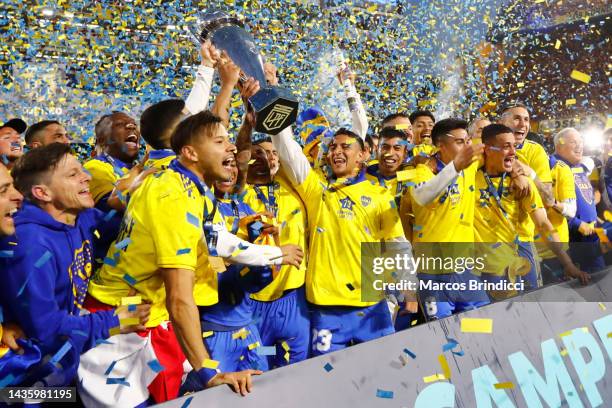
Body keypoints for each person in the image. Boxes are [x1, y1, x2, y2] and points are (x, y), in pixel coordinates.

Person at [81, 111, 303, 406]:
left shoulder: (184, 184)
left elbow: (213, 237)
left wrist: (273, 252)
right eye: (220, 141)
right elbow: (179, 298)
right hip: (122, 321)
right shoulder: (172, 197)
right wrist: (209, 372)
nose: (231, 148)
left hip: (149, 317)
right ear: (190, 153)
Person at [0, 144, 149, 388]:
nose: (87, 177)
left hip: (63, 360)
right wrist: (112, 321)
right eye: (73, 174)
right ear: (43, 193)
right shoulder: (29, 245)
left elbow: (118, 232)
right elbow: (45, 328)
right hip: (25, 377)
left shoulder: (79, 216)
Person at [271, 123, 409, 356]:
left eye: (346, 146)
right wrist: (274, 115)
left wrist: (408, 294)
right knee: (326, 381)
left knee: (384, 374)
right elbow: (289, 152)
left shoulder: (379, 195)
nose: (336, 151)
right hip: (326, 309)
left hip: (371, 307)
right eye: (333, 147)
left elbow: (398, 245)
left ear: (363, 154)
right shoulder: (318, 191)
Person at [474, 124, 589, 300]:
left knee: (534, 305)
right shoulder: (469, 177)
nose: (513, 152)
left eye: (514, 145)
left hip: (523, 250)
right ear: (488, 150)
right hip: (489, 259)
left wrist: (568, 263)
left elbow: (543, 223)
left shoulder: (524, 183)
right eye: (506, 146)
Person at [400, 118, 490, 320]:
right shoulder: (420, 171)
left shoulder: (471, 163)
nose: (467, 147)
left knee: (480, 329)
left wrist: (525, 173)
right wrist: (455, 167)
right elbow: (424, 196)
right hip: (433, 272)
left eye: (468, 141)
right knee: (444, 336)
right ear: (439, 144)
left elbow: (503, 150)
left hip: (466, 270)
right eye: (460, 142)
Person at [498, 103, 553, 290]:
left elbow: (549, 199)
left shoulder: (535, 151)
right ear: (501, 122)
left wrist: (531, 174)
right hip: (492, 243)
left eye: (527, 119)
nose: (523, 124)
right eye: (517, 118)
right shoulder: (485, 149)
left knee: (533, 297)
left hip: (523, 239)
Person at [553, 128, 605, 272]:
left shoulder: (580, 166)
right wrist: (576, 223)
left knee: (599, 279)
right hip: (573, 237)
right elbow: (549, 202)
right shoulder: (553, 167)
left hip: (591, 235)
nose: (579, 146)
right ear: (559, 145)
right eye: (573, 142)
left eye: (581, 142)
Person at [84, 112, 141, 212]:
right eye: (119, 124)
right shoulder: (95, 167)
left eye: (134, 124)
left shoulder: (143, 167)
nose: (131, 126)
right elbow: (111, 212)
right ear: (102, 140)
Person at [365, 127, 410, 201]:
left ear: (405, 153)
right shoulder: (363, 176)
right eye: (385, 147)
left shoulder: (412, 177)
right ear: (377, 150)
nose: (390, 153)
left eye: (397, 148)